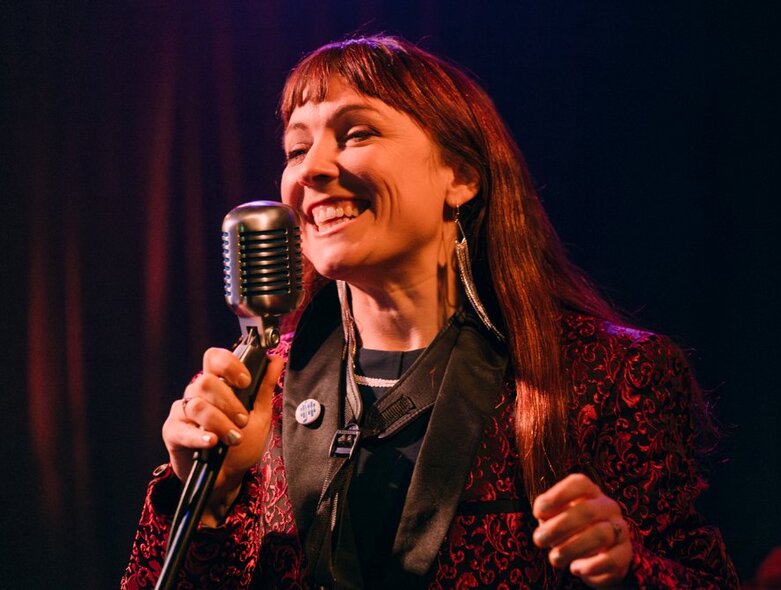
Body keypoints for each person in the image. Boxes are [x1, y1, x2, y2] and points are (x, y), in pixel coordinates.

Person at [122, 36, 738, 589]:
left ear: (461, 176)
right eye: (296, 147)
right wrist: (208, 501)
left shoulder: (608, 375)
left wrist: (626, 570)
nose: (310, 170)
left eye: (357, 134)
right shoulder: (261, 384)